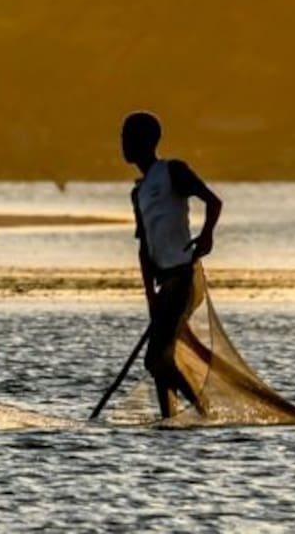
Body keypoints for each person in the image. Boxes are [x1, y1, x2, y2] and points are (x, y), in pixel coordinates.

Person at [122, 111, 223, 418]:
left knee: (155, 358)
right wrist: (150, 296)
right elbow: (144, 248)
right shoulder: (138, 192)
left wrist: (206, 235)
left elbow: (213, 201)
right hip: (164, 283)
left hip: (182, 277)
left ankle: (204, 413)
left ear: (145, 142)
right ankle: (170, 420)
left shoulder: (173, 172)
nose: (122, 144)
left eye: (128, 137)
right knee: (161, 359)